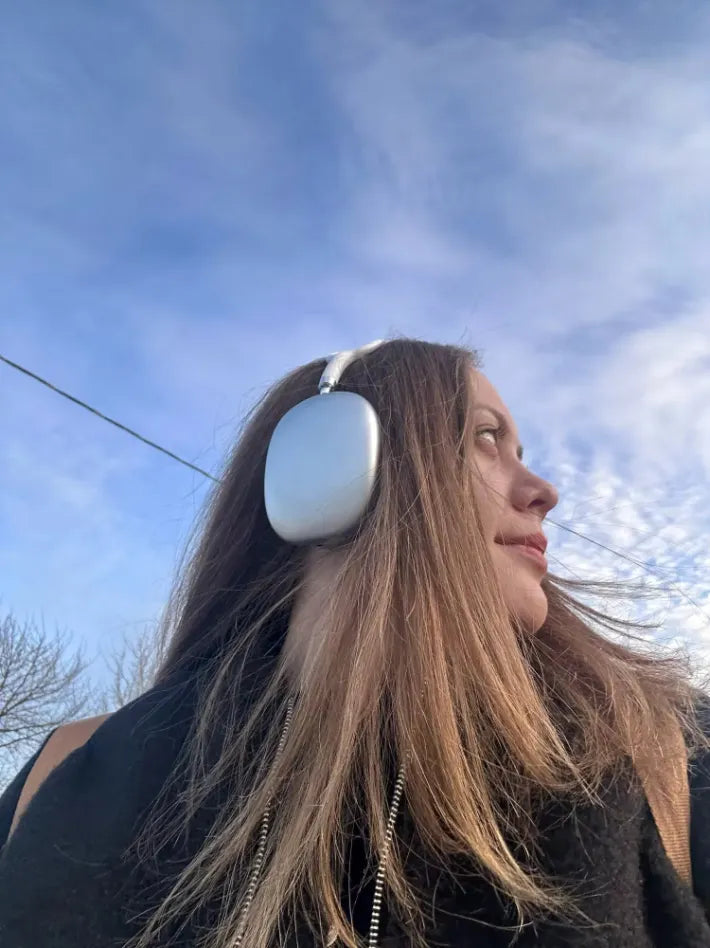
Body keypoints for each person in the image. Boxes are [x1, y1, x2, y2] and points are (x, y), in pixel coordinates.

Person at [1, 337, 710, 948]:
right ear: (334, 462)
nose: (544, 490)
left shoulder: (661, 754)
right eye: (485, 439)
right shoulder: (64, 776)